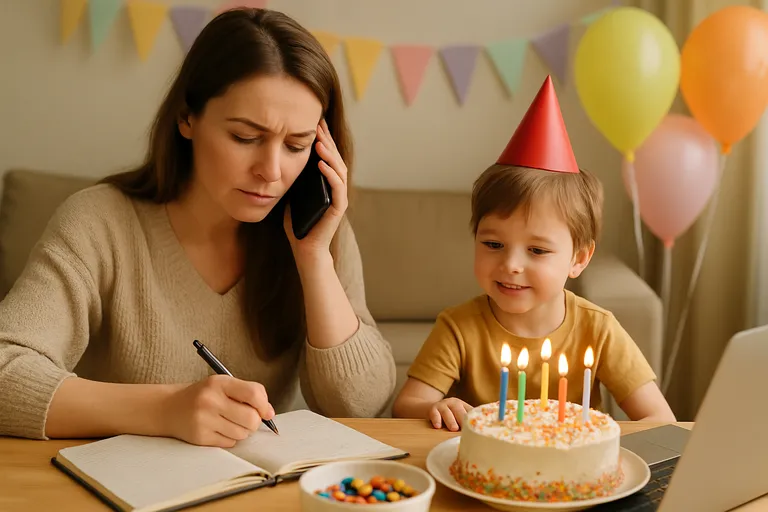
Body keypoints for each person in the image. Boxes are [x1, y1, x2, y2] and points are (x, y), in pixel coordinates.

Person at [0, 8, 396, 445]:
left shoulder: (320, 232)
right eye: (245, 137)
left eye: (297, 145)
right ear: (187, 117)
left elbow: (362, 406)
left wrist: (314, 259)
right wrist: (165, 410)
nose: (271, 171)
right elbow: (5, 369)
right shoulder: (99, 223)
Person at [392, 76, 675, 431]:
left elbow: (660, 419)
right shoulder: (459, 327)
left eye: (537, 250)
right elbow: (407, 405)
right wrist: (438, 407)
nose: (510, 265)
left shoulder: (597, 329)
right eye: (493, 244)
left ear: (579, 259)